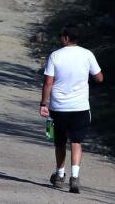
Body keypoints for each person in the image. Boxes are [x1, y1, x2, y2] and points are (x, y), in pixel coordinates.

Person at [39, 24, 103, 194]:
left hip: (59, 107)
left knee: (59, 142)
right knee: (76, 141)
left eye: (61, 36)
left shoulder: (55, 56)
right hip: (80, 106)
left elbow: (48, 83)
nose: (60, 38)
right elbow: (99, 77)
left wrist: (44, 104)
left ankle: (60, 175)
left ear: (66, 38)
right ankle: (75, 177)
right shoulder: (87, 54)